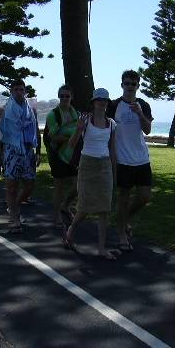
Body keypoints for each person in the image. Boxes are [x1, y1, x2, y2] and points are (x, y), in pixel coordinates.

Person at [63, 88, 117, 260]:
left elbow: (112, 149)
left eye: (105, 101)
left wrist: (114, 171)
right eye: (99, 100)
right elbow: (71, 144)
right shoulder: (85, 121)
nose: (102, 103)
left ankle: (101, 248)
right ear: (93, 102)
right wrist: (78, 130)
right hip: (87, 164)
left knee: (104, 209)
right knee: (85, 206)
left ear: (108, 104)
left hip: (105, 165)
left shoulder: (112, 124)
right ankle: (71, 230)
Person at [106, 70, 154, 252]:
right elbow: (107, 130)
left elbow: (148, 130)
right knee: (123, 198)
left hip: (141, 158)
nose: (130, 87)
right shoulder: (114, 105)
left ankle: (124, 220)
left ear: (138, 86)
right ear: (122, 85)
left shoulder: (144, 104)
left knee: (144, 196)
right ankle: (121, 235)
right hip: (122, 159)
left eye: (133, 84)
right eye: (127, 83)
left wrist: (140, 114)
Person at [0, 79, 40, 232]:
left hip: (27, 152)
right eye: (16, 89)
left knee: (30, 185)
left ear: (25, 91)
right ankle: (15, 219)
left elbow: (35, 132)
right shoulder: (3, 110)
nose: (19, 92)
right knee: (11, 187)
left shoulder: (31, 110)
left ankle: (14, 206)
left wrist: (38, 151)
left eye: (21, 89)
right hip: (10, 152)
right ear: (11, 92)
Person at [45, 84, 79, 228]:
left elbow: (78, 132)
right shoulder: (53, 115)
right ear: (59, 97)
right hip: (58, 154)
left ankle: (65, 205)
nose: (65, 98)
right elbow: (53, 137)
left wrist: (73, 138)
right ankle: (57, 215)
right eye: (62, 96)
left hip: (72, 155)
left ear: (72, 97)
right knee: (59, 186)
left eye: (67, 96)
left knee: (78, 185)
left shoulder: (75, 113)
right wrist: (71, 139)